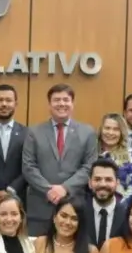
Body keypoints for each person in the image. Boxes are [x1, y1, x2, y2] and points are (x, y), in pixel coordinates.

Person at [22, 84, 97, 235]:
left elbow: (89, 166)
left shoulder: (87, 132)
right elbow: (28, 166)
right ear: (49, 104)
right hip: (40, 206)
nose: (61, 104)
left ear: (72, 103)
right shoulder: (34, 132)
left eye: (66, 100)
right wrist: (48, 190)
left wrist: (65, 188)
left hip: (73, 204)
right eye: (56, 100)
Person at [0, 85, 27, 213]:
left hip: (18, 199)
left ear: (15, 104)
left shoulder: (28, 134)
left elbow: (29, 166)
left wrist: (11, 190)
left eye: (8, 100)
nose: (4, 104)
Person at [96, 113, 132, 199]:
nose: (110, 132)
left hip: (122, 207)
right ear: (101, 130)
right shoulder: (91, 153)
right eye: (107, 128)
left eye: (116, 129)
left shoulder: (130, 155)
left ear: (122, 133)